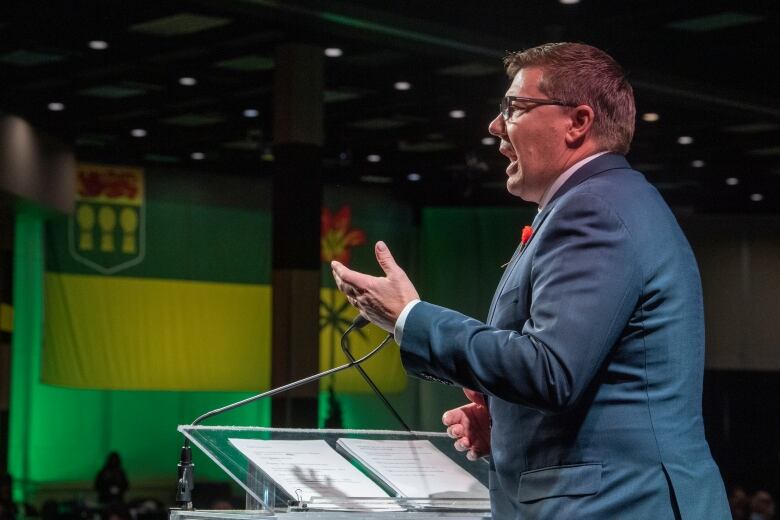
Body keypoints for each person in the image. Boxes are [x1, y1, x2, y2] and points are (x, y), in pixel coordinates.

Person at [331, 42, 731, 519]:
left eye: (514, 108)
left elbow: (550, 371)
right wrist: (507, 423)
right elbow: (588, 379)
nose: (495, 125)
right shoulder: (600, 204)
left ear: (578, 122)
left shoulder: (594, 210)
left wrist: (409, 317)